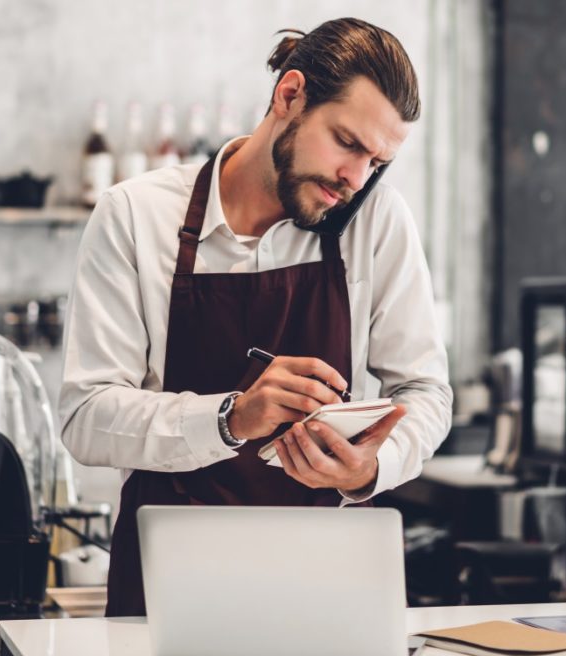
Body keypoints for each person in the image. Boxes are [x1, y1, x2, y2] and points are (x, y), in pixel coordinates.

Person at [58, 18, 452, 617]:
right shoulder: (134, 216)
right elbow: (85, 417)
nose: (356, 180)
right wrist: (231, 417)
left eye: (378, 162)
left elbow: (424, 391)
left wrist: (373, 464)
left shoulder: (376, 220)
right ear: (289, 95)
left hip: (328, 579)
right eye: (347, 142)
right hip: (171, 581)